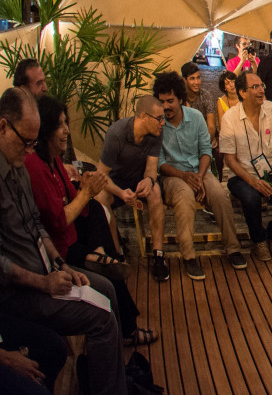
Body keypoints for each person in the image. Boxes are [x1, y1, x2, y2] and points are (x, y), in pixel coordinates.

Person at [0, 88, 128, 395]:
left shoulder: (18, 165)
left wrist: (59, 263)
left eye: (33, 143)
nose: (28, 149)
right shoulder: (21, 165)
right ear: (3, 126)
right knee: (102, 318)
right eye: (25, 141)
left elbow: (36, 224)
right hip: (20, 290)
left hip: (45, 271)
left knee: (107, 290)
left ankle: (105, 379)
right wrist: (44, 282)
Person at [24, 95, 156, 347]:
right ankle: (100, 261)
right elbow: (58, 221)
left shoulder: (53, 162)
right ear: (45, 130)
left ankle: (101, 256)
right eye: (60, 125)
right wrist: (85, 192)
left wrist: (84, 188)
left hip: (72, 237)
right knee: (109, 280)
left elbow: (76, 200)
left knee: (95, 209)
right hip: (62, 249)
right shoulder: (35, 166)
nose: (66, 131)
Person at [152, 73, 247, 280]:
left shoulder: (195, 117)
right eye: (161, 102)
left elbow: (206, 150)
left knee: (220, 195)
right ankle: (189, 257)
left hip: (199, 171)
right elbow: (160, 163)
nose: (166, 106)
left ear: (180, 99)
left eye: (170, 101)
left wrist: (199, 176)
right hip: (172, 176)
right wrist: (185, 176)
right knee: (184, 196)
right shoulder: (157, 124)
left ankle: (232, 248)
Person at [219, 72, 272, 261]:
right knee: (250, 197)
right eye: (255, 87)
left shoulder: (270, 109)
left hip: (268, 171)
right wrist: (253, 182)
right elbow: (229, 159)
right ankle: (259, 240)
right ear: (242, 93)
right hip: (241, 175)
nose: (261, 90)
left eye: (262, 85)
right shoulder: (230, 118)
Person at [95, 95, 169, 281]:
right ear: (143, 116)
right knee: (101, 199)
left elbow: (151, 168)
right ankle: (118, 253)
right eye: (159, 118)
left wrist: (149, 181)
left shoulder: (156, 133)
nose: (163, 123)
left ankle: (158, 255)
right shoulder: (117, 133)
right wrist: (120, 193)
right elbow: (100, 174)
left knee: (155, 192)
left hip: (139, 180)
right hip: (117, 182)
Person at [180, 62, 217, 151]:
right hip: (184, 140)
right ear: (184, 80)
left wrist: (202, 146)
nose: (196, 82)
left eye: (198, 78)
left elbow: (211, 127)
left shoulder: (206, 96)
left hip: (203, 140)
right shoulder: (179, 98)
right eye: (192, 79)